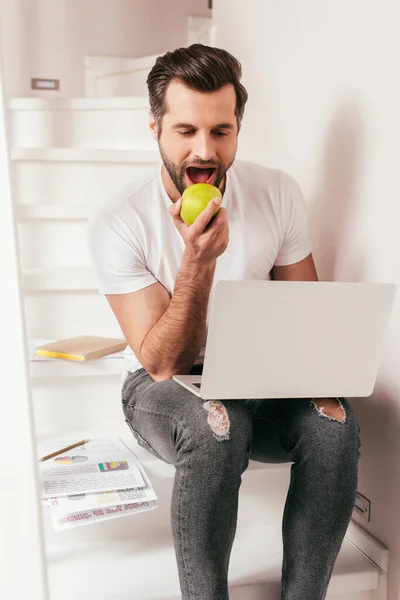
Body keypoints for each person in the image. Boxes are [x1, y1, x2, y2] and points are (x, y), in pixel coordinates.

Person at [88, 44, 361, 600]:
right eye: (185, 131)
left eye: (220, 131)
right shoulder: (119, 221)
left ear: (238, 128)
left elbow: (300, 315)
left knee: (336, 426)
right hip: (161, 388)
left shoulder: (278, 192)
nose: (203, 151)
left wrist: (323, 370)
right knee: (219, 426)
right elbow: (161, 361)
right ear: (155, 128)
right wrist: (199, 261)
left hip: (258, 376)